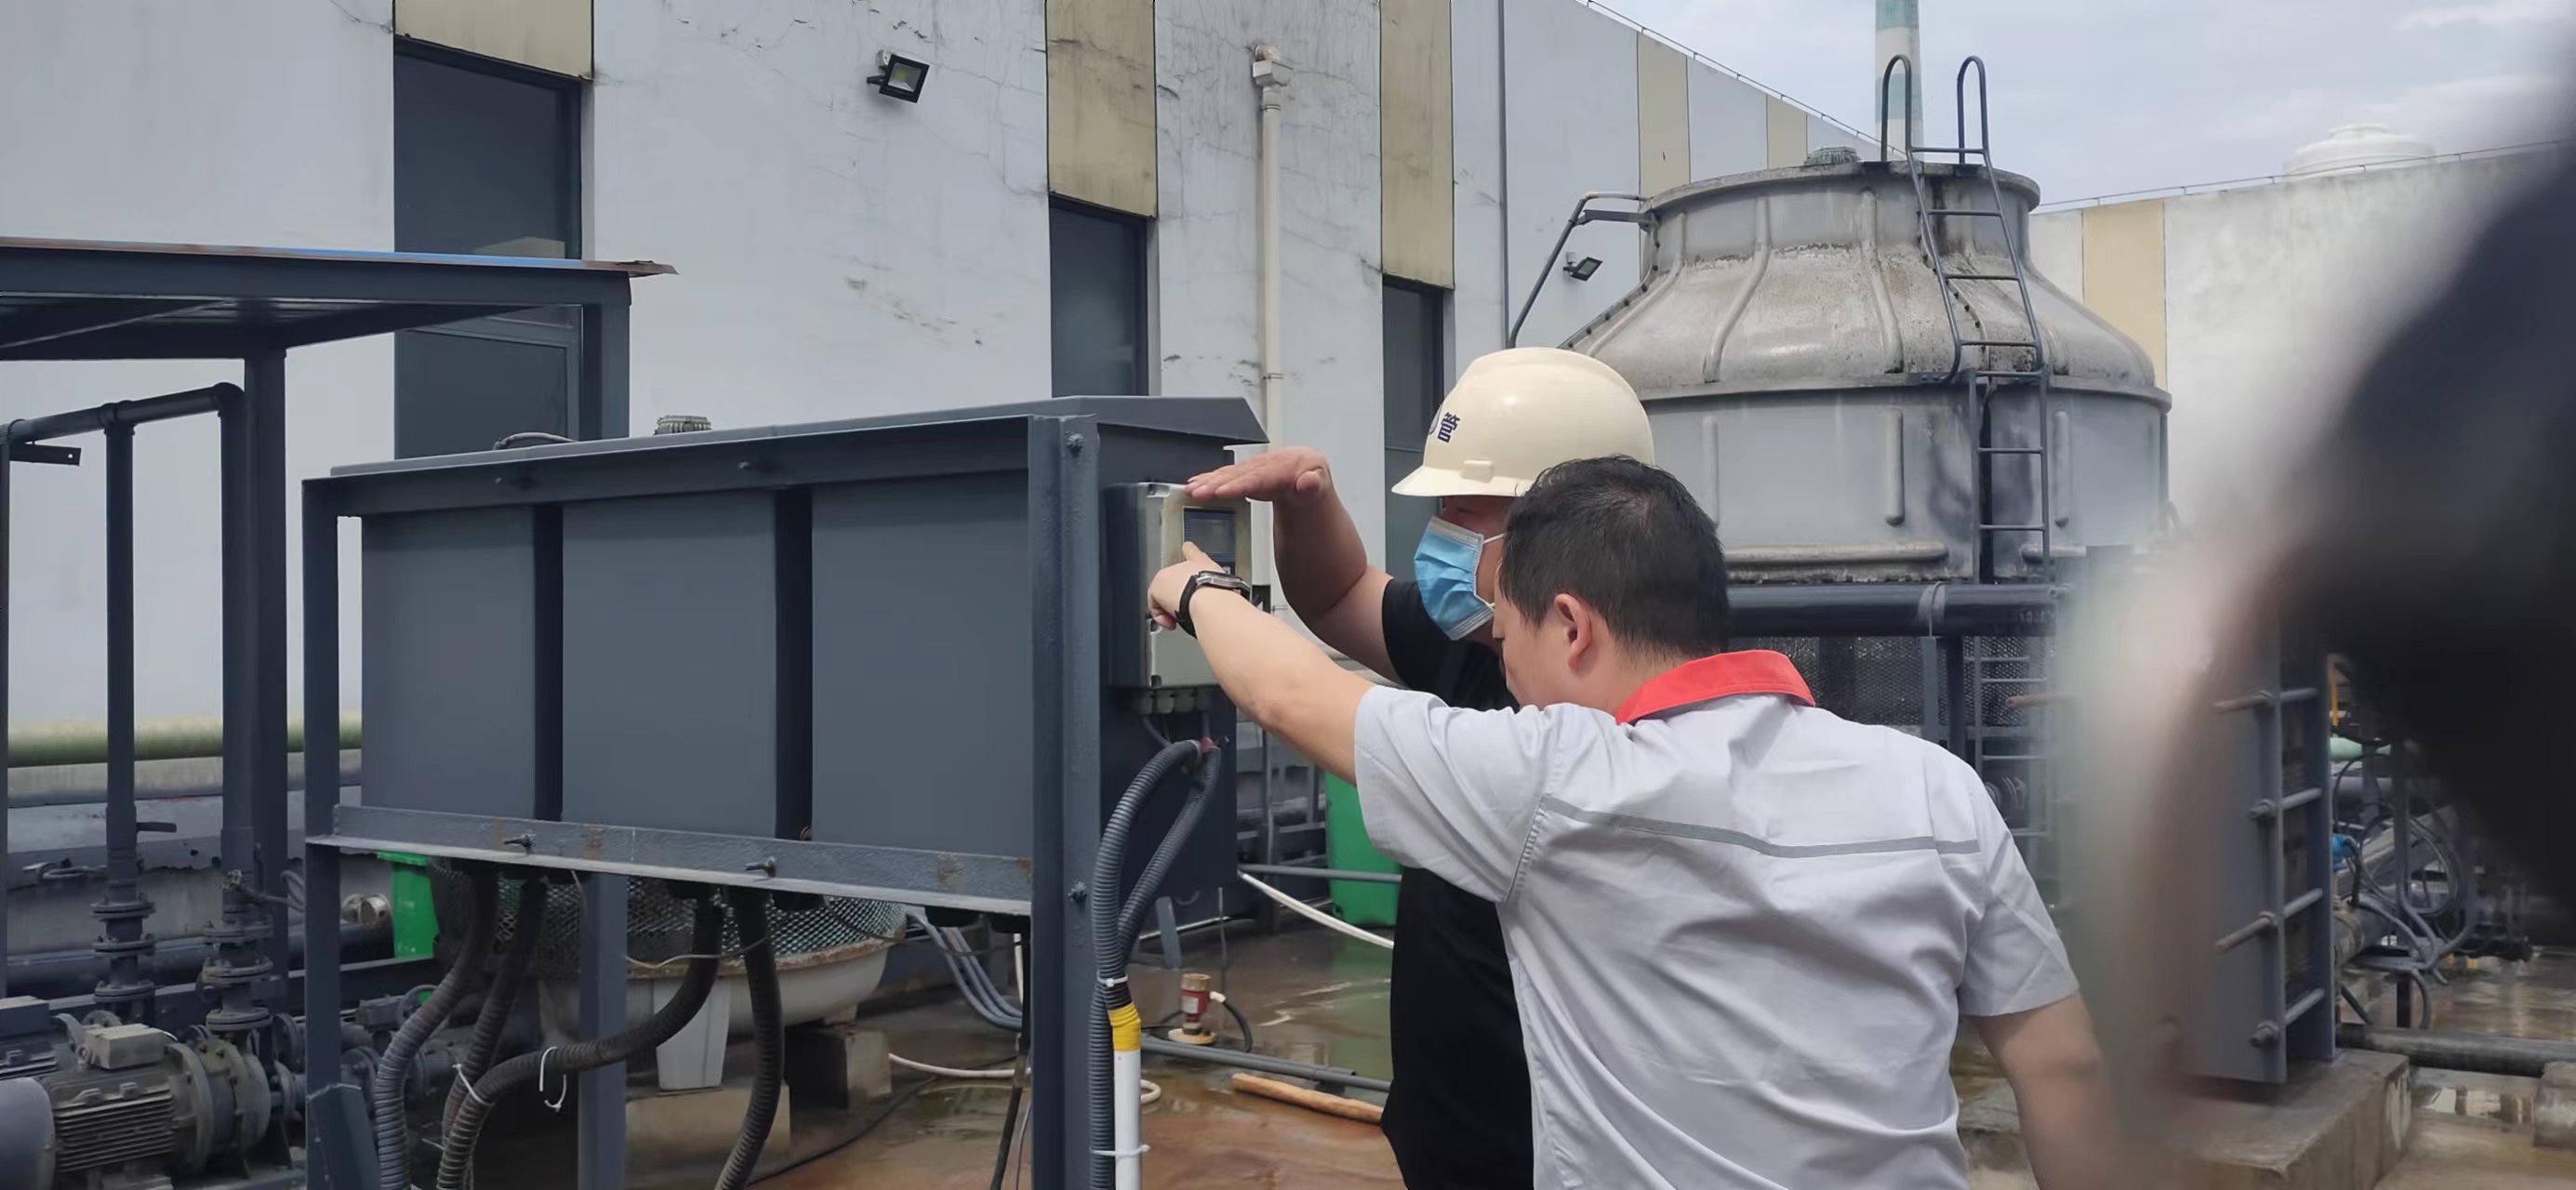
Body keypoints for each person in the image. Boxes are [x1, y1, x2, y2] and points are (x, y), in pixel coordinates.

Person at [1149, 456, 2118, 1188]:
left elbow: (1291, 694)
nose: (1501, 665)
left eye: (1507, 633)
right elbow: (2062, 1062)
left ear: (1571, 626)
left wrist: (1192, 590)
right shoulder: (1936, 786)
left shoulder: (1560, 780)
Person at [1183, 347, 1658, 1188]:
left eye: (1462, 514)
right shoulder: (1479, 646)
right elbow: (1340, 597)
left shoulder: (1598, 748)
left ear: (1564, 534)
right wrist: (1309, 504)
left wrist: (1195, 593)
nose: (1439, 538)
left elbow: (1292, 696)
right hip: (1447, 1138)